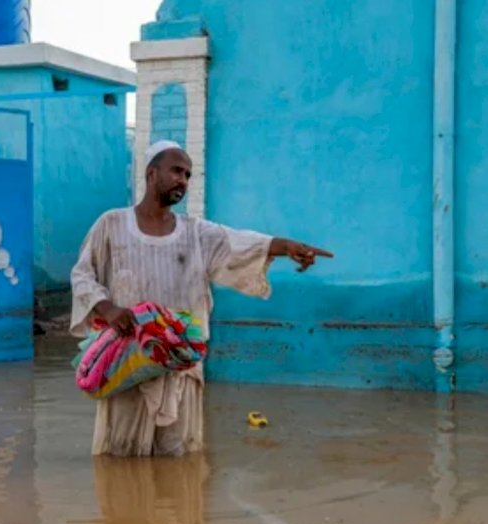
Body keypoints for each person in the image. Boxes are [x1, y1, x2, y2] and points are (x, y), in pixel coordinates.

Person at [70, 140, 333, 457]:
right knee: (121, 458)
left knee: (179, 465)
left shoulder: (196, 233)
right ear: (152, 173)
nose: (183, 180)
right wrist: (108, 308)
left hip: (181, 368)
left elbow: (241, 243)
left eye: (188, 175)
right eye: (176, 171)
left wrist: (288, 246)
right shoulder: (111, 224)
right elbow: (83, 274)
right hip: (128, 366)